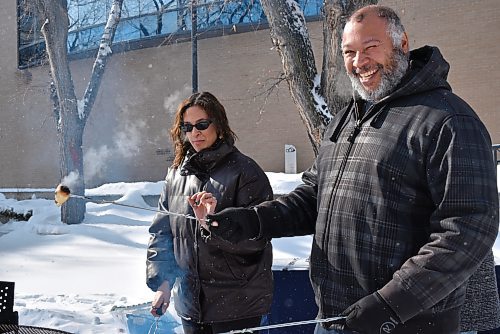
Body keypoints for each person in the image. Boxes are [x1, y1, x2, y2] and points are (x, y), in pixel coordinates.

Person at [206, 5, 499, 334]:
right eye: (349, 52)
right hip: (335, 319)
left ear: (402, 44)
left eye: (371, 47)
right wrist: (254, 220)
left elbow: (469, 229)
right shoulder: (348, 119)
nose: (359, 62)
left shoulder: (448, 120)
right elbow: (313, 198)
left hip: (407, 324)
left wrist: (392, 304)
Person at [146, 91, 274, 334]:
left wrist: (212, 224)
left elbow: (257, 240)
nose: (195, 133)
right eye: (188, 127)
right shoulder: (176, 175)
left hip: (237, 306)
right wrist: (163, 283)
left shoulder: (246, 172)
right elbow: (162, 233)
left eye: (202, 124)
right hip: (190, 305)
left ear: (219, 124)